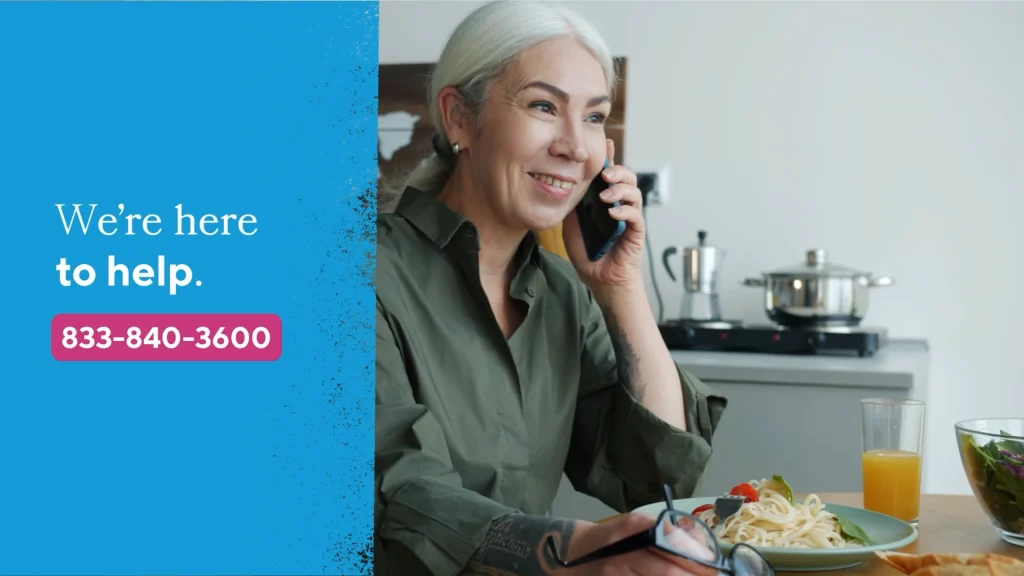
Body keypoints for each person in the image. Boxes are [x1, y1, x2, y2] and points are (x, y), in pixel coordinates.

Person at [375, 2, 729, 574]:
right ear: (461, 118)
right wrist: (587, 550)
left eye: (594, 118)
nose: (576, 146)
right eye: (544, 106)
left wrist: (622, 289)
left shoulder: (564, 294)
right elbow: (401, 496)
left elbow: (658, 479)